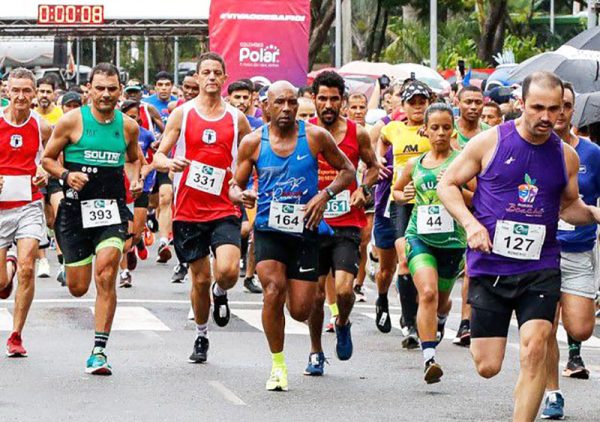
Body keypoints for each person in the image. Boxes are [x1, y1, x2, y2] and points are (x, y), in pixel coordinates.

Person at [437, 71, 600, 421]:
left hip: (539, 266)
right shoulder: (490, 142)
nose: (546, 117)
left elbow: (568, 207)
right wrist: (471, 224)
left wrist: (596, 214)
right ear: (520, 104)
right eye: (537, 107)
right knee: (487, 365)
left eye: (554, 109)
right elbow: (447, 184)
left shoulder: (565, 157)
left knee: (536, 347)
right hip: (490, 266)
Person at [230, 80, 354, 391]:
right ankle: (278, 365)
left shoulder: (314, 136)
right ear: (266, 107)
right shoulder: (253, 142)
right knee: (272, 288)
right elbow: (234, 184)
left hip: (306, 231)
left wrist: (324, 195)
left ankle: (297, 308)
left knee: (300, 309)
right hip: (269, 229)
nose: (286, 109)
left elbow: (348, 169)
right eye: (279, 103)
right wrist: (240, 195)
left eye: (291, 102)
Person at [42, 63, 142, 375]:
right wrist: (67, 174)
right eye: (99, 88)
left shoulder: (128, 127)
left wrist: (135, 178)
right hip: (73, 213)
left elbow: (134, 158)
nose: (106, 94)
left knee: (107, 272)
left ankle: (99, 350)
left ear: (120, 91)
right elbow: (47, 159)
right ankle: (67, 267)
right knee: (78, 287)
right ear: (89, 90)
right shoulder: (72, 122)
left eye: (112, 89)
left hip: (110, 211)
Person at [152, 52, 251, 364]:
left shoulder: (237, 119)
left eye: (216, 72)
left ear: (223, 78)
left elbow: (250, 160)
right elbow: (157, 157)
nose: (211, 77)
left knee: (228, 271)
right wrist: (171, 162)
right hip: (189, 210)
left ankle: (221, 294)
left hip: (224, 207)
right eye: (205, 72)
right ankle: (201, 333)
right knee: (199, 279)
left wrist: (243, 188)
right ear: (196, 77)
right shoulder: (183, 114)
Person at [304, 71, 379, 375]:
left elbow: (373, 168)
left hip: (346, 222)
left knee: (345, 290)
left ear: (343, 101)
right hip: (311, 222)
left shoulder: (357, 133)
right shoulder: (305, 133)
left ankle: (343, 321)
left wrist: (364, 188)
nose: (328, 104)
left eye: (335, 98)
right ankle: (315, 351)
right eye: (322, 98)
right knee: (315, 295)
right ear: (314, 99)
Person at [393, 103, 473, 384]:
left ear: (453, 130)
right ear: (424, 130)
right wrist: (406, 194)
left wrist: (455, 189)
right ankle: (429, 357)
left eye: (446, 127)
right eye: (435, 127)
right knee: (426, 293)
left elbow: (479, 199)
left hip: (452, 241)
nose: (440, 133)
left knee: (440, 300)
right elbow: (397, 191)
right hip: (420, 236)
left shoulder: (463, 161)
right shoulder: (415, 163)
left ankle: (440, 319)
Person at [540, 82, 600, 419]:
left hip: (579, 251)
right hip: (543, 252)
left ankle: (564, 355)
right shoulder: (531, 149)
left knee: (580, 329)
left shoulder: (591, 154)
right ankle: (551, 391)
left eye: (565, 105)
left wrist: (593, 214)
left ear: (572, 110)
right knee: (545, 326)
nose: (558, 113)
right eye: (552, 105)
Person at [0, 68, 52, 357]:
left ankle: (16, 335)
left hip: (29, 205)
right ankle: (7, 267)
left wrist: (45, 170)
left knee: (28, 268)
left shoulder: (42, 126)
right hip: (0, 208)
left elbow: (53, 156)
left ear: (34, 93)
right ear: (6, 91)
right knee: (2, 282)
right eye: (15, 90)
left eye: (26, 91)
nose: (21, 96)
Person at [377, 80, 432, 346]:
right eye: (413, 102)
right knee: (403, 260)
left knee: (429, 261)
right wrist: (378, 161)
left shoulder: (436, 130)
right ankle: (409, 322)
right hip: (400, 199)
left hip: (430, 203)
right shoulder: (395, 128)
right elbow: (381, 138)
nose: (418, 107)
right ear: (404, 105)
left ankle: (428, 313)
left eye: (423, 102)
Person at [451, 85, 490, 347]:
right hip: (447, 204)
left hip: (480, 207)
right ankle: (438, 314)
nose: (474, 107)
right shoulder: (445, 128)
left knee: (470, 266)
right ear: (457, 101)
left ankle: (466, 320)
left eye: (478, 102)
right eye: (468, 102)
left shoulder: (490, 135)